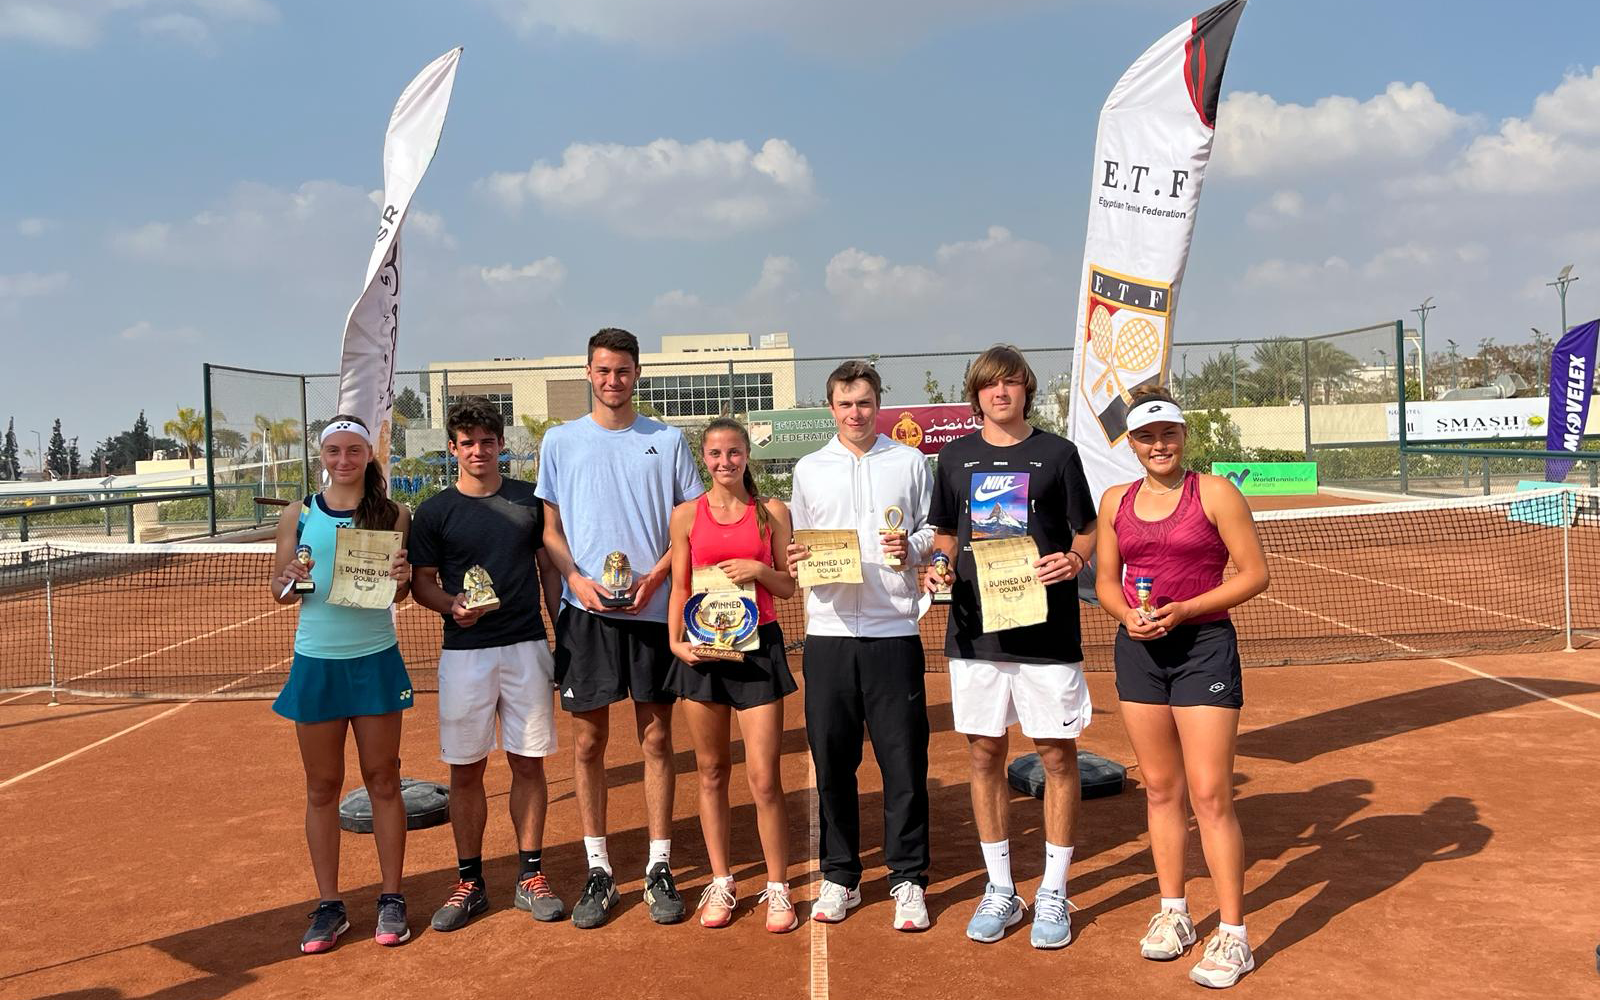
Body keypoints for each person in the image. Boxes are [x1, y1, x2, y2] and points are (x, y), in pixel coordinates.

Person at [1093, 387, 1268, 989]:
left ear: (1182, 436)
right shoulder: (1116, 499)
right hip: (1139, 655)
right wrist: (1127, 617)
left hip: (1203, 649)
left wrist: (1185, 609)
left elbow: (1254, 573)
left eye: (1168, 433)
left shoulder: (1215, 493)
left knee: (1210, 793)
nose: (1158, 445)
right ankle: (1174, 914)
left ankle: (1236, 935)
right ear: (1132, 444)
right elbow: (1107, 581)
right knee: (1161, 790)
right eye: (1146, 436)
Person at [926, 345, 1097, 949]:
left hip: (1047, 632)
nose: (1000, 394)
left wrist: (1076, 558)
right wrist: (939, 567)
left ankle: (1053, 891)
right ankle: (1001, 888)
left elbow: (1089, 527)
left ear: (1026, 389)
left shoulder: (1058, 454)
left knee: (1055, 756)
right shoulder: (954, 457)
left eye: (1011, 384)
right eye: (989, 386)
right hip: (976, 632)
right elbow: (946, 533)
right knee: (983, 756)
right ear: (975, 394)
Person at [538, 327, 706, 928]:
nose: (614, 381)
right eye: (603, 371)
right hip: (587, 616)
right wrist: (576, 580)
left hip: (652, 613)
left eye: (624, 371)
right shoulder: (560, 442)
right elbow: (549, 529)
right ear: (589, 373)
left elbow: (689, 524)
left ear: (637, 374)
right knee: (588, 744)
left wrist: (657, 578)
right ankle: (599, 869)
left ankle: (659, 865)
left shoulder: (668, 439)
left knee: (657, 739)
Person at [409, 398, 567, 932]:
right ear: (453, 449)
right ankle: (470, 882)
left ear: (501, 445)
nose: (479, 451)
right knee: (466, 769)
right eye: (468, 442)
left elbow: (549, 569)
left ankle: (530, 875)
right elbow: (421, 583)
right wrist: (452, 605)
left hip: (526, 648)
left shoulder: (529, 500)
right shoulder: (434, 511)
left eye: (488, 441)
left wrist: (560, 632)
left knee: (529, 763)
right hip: (464, 654)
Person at [788, 360, 936, 931]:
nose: (856, 413)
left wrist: (913, 544)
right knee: (833, 762)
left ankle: (907, 878)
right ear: (831, 408)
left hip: (893, 631)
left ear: (879, 405)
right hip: (826, 635)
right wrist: (799, 556)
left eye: (865, 402)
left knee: (904, 763)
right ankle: (839, 876)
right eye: (846, 404)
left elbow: (931, 532)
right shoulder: (809, 469)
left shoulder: (909, 462)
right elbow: (799, 542)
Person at [270, 415, 414, 954]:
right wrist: (286, 580)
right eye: (334, 451)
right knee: (321, 787)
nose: (343, 460)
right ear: (322, 456)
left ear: (368, 455)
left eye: (354, 450)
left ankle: (391, 897)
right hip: (317, 663)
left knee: (383, 779)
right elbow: (279, 590)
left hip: (374, 659)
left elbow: (397, 596)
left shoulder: (394, 514)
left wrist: (401, 581)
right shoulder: (298, 514)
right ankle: (330, 904)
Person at [666, 418, 799, 931]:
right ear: (705, 458)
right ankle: (721, 881)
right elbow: (679, 587)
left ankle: (778, 888)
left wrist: (758, 570)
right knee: (711, 772)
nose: (725, 462)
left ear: (748, 455)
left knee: (765, 778)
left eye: (734, 452)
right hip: (703, 652)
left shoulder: (772, 512)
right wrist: (676, 642)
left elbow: (788, 588)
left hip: (757, 651)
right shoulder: (685, 516)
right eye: (716, 454)